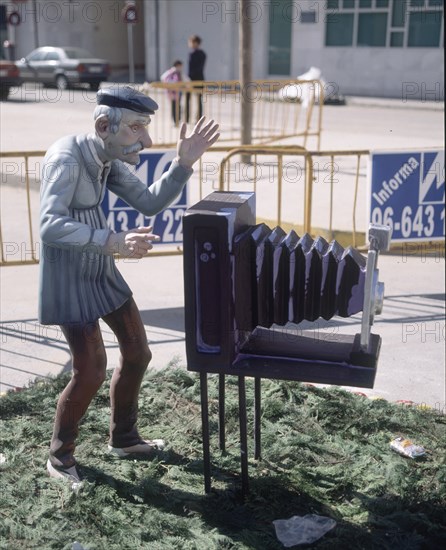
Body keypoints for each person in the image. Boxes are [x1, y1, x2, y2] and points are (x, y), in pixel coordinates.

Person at [39, 85, 219, 487]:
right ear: (105, 126)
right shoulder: (66, 159)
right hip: (69, 278)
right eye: (137, 128)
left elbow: (149, 202)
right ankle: (59, 456)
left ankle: (123, 438)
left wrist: (183, 164)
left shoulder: (108, 157)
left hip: (100, 270)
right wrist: (114, 241)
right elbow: (49, 226)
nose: (147, 140)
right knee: (90, 370)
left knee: (138, 352)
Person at [185, 35, 206, 123]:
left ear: (196, 43)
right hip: (191, 79)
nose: (190, 44)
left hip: (198, 79)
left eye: (191, 42)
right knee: (187, 99)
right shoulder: (191, 53)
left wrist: (190, 78)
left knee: (199, 99)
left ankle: (199, 119)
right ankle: (187, 119)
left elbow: (199, 68)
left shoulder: (201, 54)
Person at [161, 60, 184, 125]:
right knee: (176, 107)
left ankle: (176, 120)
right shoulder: (174, 72)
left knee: (175, 106)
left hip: (173, 92)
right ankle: (176, 120)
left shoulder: (173, 72)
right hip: (174, 92)